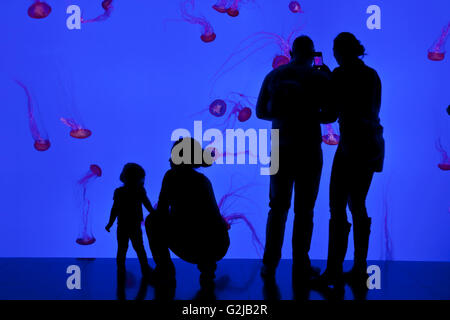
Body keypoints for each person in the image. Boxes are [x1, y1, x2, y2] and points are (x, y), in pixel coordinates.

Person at [256, 35, 332, 281]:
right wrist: (309, 114)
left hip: (280, 148)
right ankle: (301, 265)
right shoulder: (319, 77)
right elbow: (331, 114)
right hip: (309, 148)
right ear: (312, 54)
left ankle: (269, 265)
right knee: (304, 210)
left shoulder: (274, 76)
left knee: (277, 208)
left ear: (290, 52)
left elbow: (259, 112)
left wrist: (284, 113)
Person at [317, 32, 385, 287]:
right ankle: (359, 267)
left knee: (337, 206)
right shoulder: (372, 74)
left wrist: (323, 85)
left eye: (335, 50)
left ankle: (334, 269)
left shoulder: (340, 74)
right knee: (358, 204)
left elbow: (329, 115)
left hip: (351, 145)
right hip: (373, 143)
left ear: (338, 51)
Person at [145, 137, 230, 290]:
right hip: (218, 245)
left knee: (152, 220)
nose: (169, 160)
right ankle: (208, 271)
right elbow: (214, 216)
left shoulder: (170, 177)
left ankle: (165, 269)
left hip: (188, 244)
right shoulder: (203, 180)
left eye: (173, 155)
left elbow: (162, 211)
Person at [105, 163, 155, 280]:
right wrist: (154, 212)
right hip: (134, 224)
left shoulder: (119, 191)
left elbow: (115, 209)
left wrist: (110, 223)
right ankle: (145, 269)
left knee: (122, 249)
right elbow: (147, 204)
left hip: (122, 225)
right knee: (139, 248)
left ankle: (121, 270)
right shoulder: (140, 191)